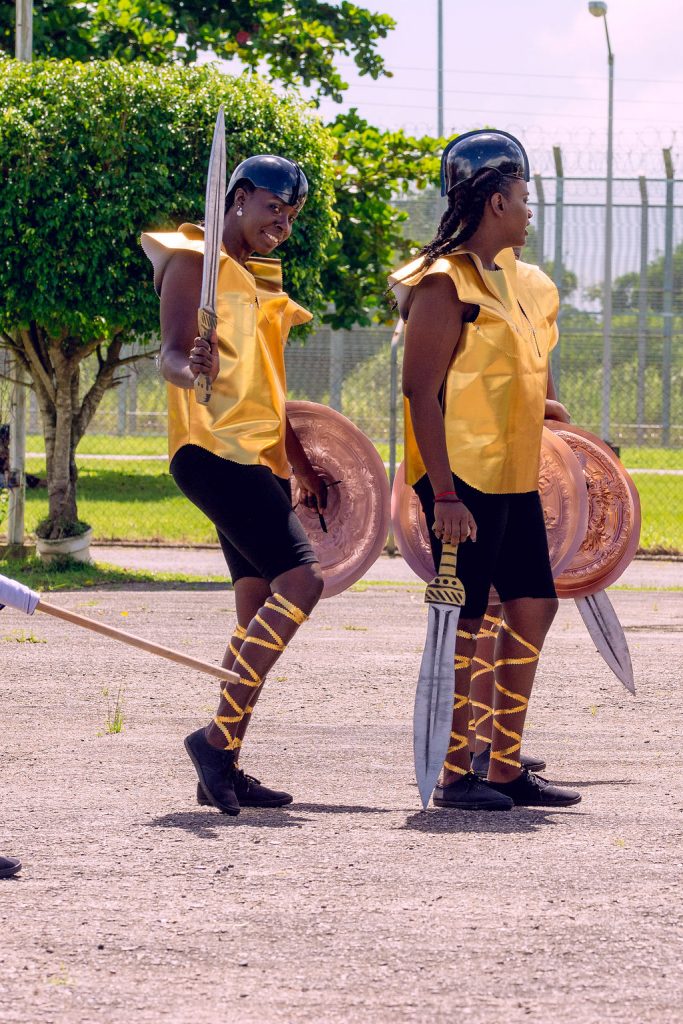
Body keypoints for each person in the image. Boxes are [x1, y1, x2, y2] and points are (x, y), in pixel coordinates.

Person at [389, 130, 581, 810]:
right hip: (459, 479)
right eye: (524, 199)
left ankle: (502, 765)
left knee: (532, 604)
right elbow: (419, 391)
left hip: (514, 472)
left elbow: (533, 384)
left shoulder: (530, 286)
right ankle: (452, 775)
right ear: (496, 200)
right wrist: (442, 493)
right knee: (467, 618)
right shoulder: (444, 282)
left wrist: (572, 438)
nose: (529, 212)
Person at [142, 155, 327, 816]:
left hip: (261, 462)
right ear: (239, 196)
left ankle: (222, 764)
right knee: (302, 583)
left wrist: (302, 467)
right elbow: (169, 354)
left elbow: (272, 392)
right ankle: (214, 742)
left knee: (256, 611)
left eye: (291, 215)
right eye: (274, 207)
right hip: (212, 451)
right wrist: (190, 367)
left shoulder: (258, 280)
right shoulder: (194, 261)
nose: (284, 224)